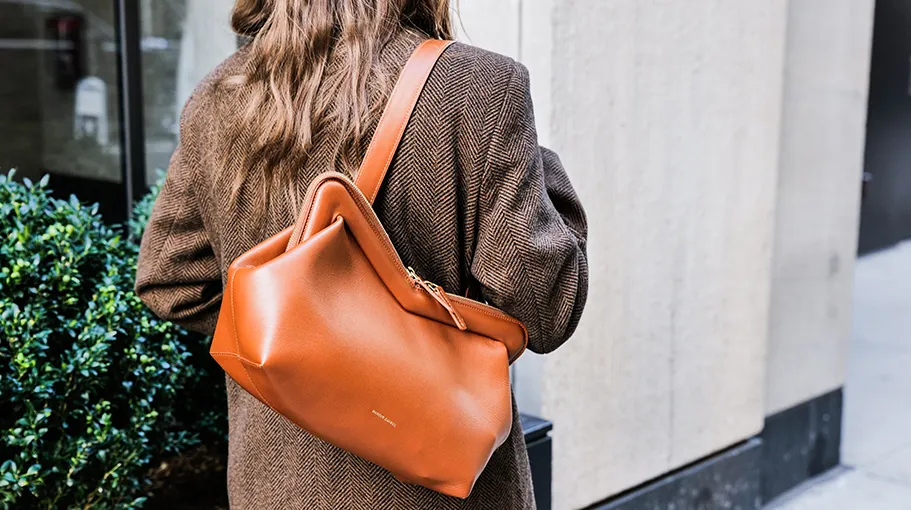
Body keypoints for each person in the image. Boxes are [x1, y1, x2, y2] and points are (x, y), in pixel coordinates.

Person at [135, 1, 588, 508]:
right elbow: (544, 311)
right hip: (443, 478)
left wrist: (298, 338)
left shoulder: (218, 97)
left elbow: (171, 282)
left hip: (279, 485)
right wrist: (540, 169)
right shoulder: (480, 87)